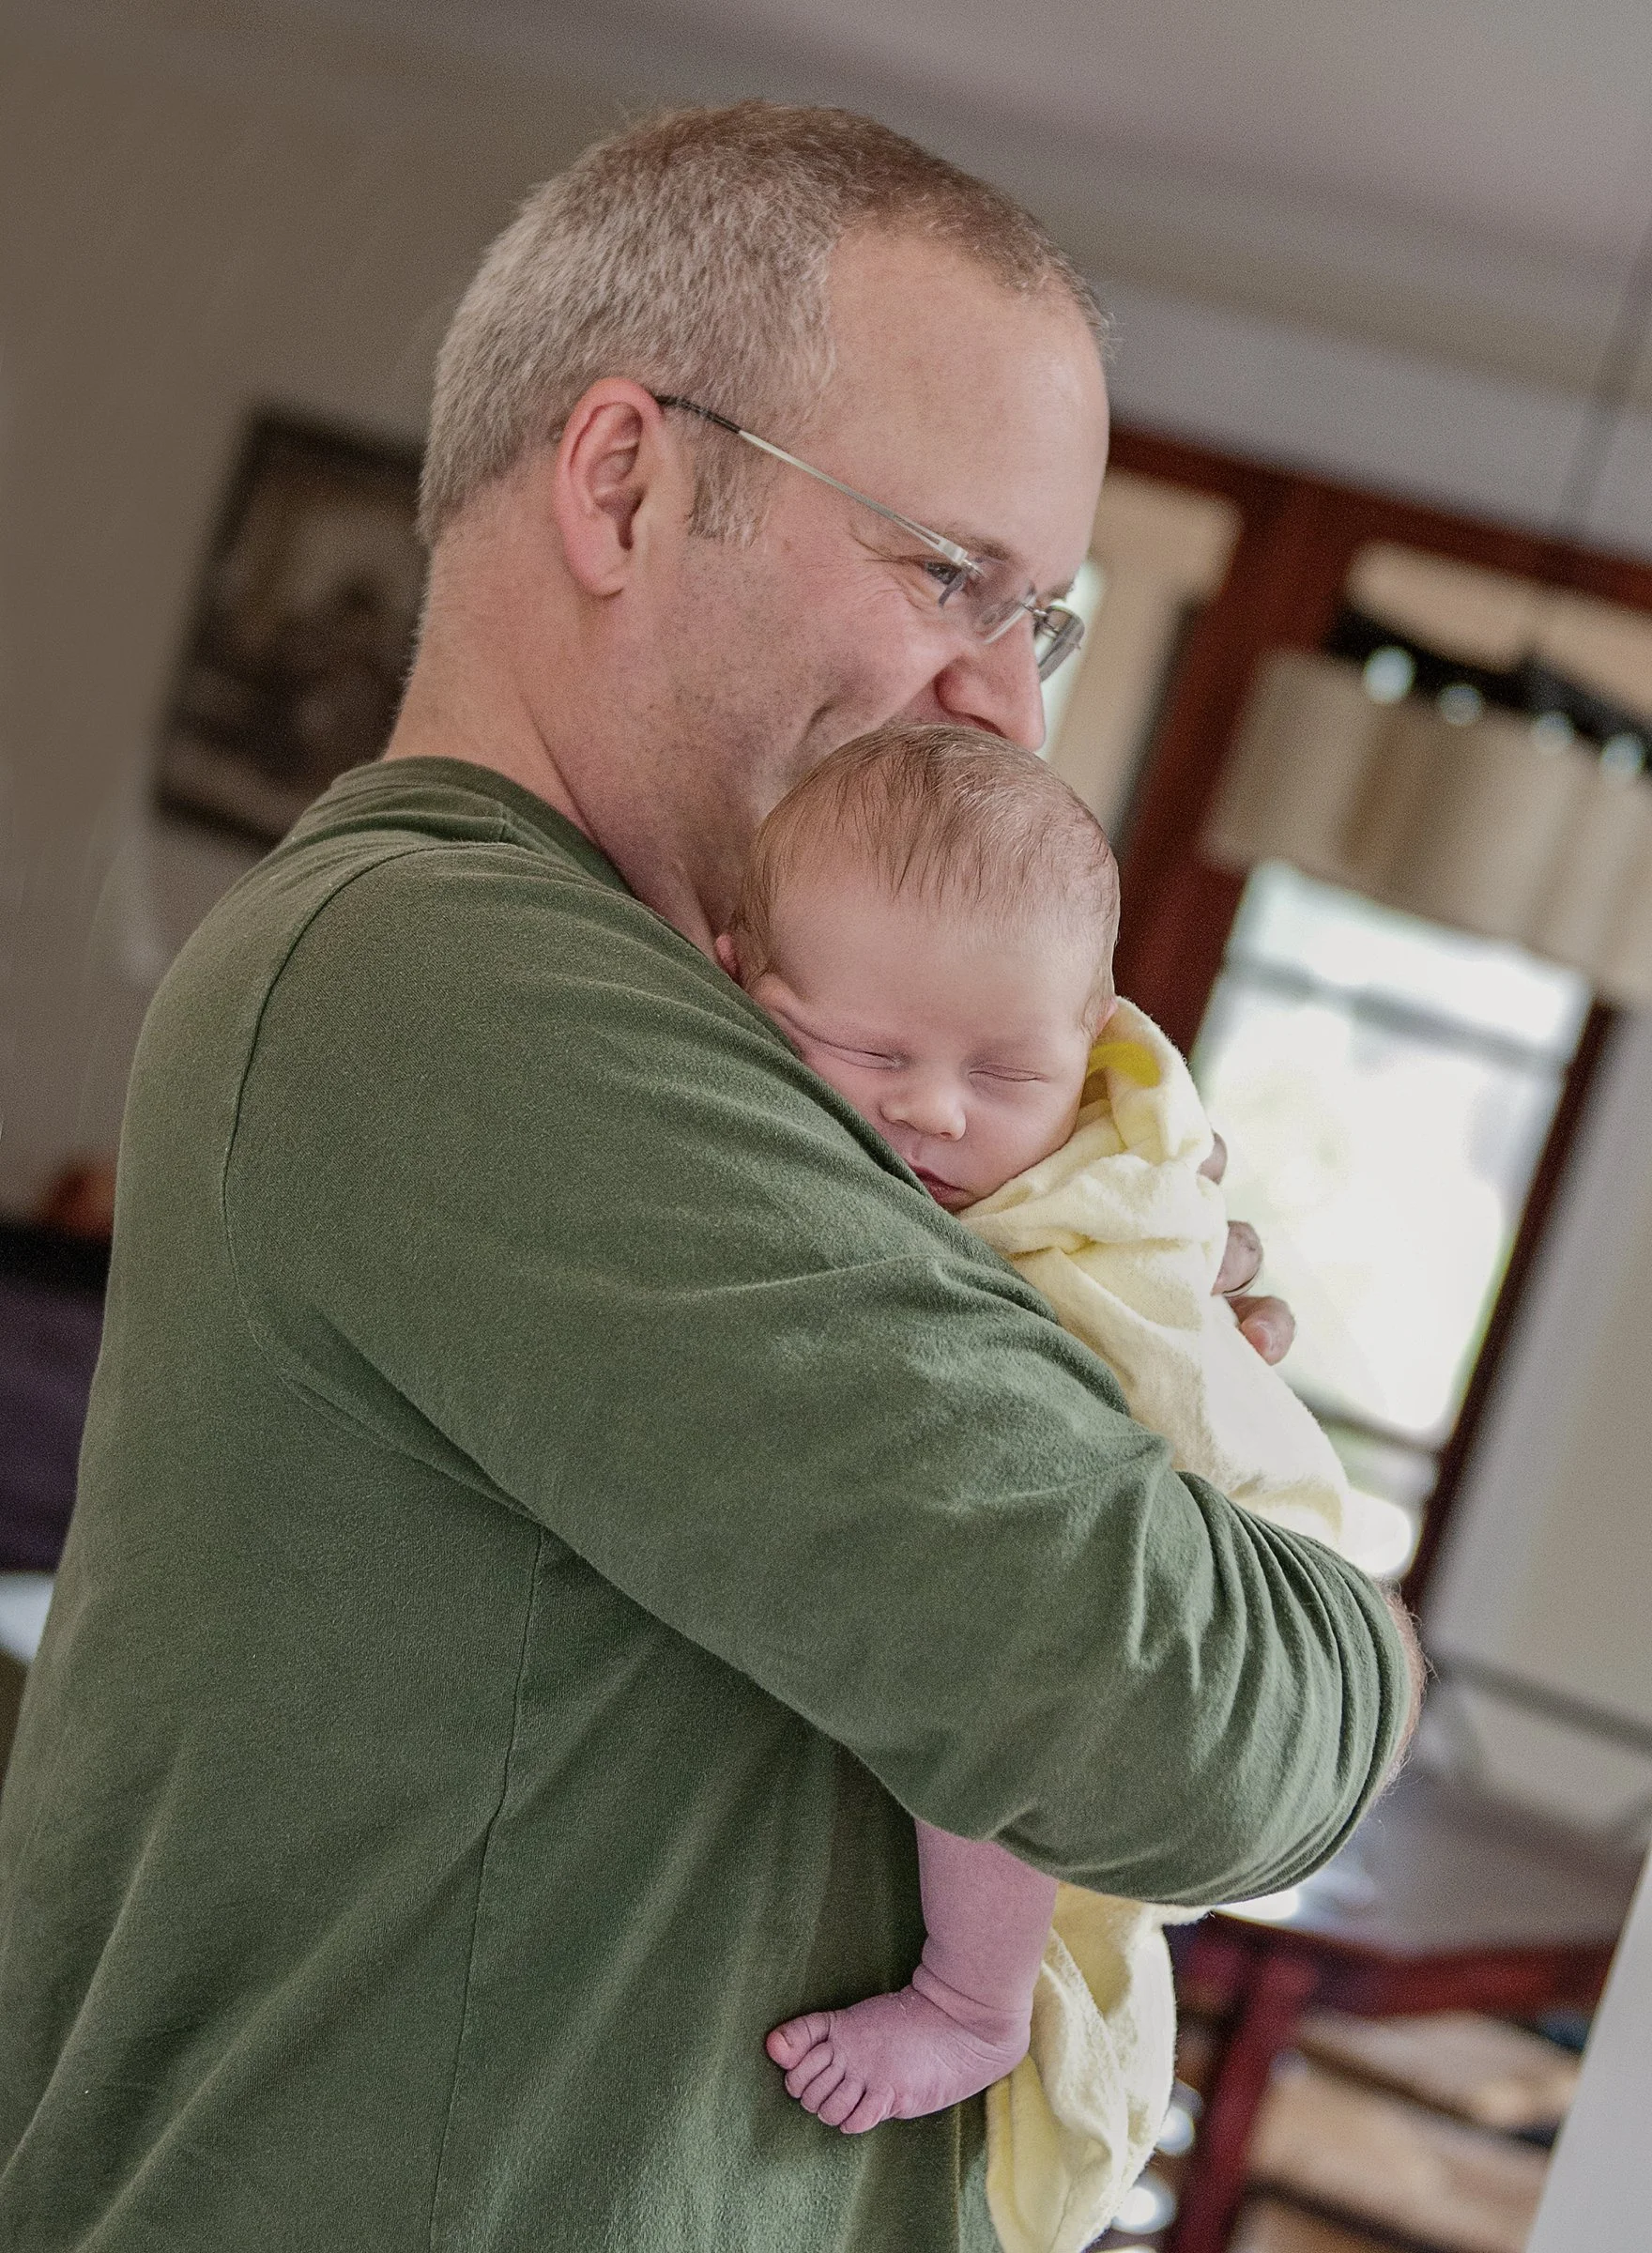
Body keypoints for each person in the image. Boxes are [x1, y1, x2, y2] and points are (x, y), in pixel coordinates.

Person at [0, 104, 1417, 2253]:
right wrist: (1309, 1592)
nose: (1005, 713)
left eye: (1048, 618)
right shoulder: (461, 986)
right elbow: (1217, 1738)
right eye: (953, 576)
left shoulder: (710, 1062)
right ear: (626, 482)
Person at [717, 721, 1356, 2250]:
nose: (936, 1111)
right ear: (743, 985)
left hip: (1218, 1568)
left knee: (998, 1657)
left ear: (1099, 1039)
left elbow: (1057, 1552)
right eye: (872, 1056)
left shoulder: (1088, 1220)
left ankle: (972, 1998)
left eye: (1008, 1070)